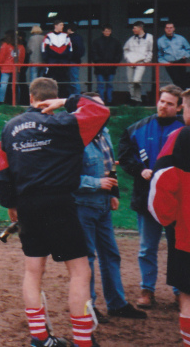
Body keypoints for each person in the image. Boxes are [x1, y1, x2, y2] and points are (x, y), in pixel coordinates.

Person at [0, 77, 110, 347]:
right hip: (59, 202)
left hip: (26, 205)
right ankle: (83, 341)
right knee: (80, 272)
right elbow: (101, 111)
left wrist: (10, 203)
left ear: (30, 97)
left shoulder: (9, 128)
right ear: (53, 97)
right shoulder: (64, 122)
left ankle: (40, 338)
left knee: (33, 271)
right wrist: (68, 103)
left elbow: (1, 169)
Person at [74, 93, 147, 322]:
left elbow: (109, 163)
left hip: (103, 204)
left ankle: (116, 303)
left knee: (110, 254)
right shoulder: (74, 138)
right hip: (83, 205)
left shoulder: (103, 133)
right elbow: (65, 177)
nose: (102, 114)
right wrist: (97, 183)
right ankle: (89, 306)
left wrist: (112, 192)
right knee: (87, 258)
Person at [117, 83, 184, 308]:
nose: (163, 106)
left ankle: (180, 290)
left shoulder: (184, 130)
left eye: (169, 103)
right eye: (161, 101)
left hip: (178, 201)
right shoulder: (138, 128)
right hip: (147, 198)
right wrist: (139, 170)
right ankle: (147, 290)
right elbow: (125, 156)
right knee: (147, 247)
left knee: (179, 246)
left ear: (180, 107)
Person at [149, 87, 190, 345]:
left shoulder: (179, 137)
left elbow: (161, 185)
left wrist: (169, 221)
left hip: (186, 232)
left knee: (187, 295)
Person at [90, 25, 123, 106]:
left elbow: (119, 54)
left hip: (111, 67)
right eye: (106, 31)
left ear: (111, 31)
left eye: (109, 31)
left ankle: (109, 100)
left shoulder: (116, 42)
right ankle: (100, 101)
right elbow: (93, 53)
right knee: (100, 84)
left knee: (110, 84)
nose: (107, 32)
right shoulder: (96, 42)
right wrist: (98, 62)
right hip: (100, 67)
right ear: (102, 31)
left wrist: (114, 62)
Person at [123, 21, 153, 105]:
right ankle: (134, 99)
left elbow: (151, 50)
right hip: (130, 63)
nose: (133, 30)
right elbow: (125, 49)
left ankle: (138, 98)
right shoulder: (132, 39)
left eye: (134, 28)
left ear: (140, 28)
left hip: (141, 62)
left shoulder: (149, 37)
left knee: (136, 81)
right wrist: (127, 59)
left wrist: (146, 60)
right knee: (130, 82)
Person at [43, 20, 72, 98]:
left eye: (62, 25)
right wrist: (47, 61)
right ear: (55, 26)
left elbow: (70, 48)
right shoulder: (48, 35)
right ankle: (52, 97)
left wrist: (68, 60)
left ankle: (63, 98)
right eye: (61, 25)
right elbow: (44, 49)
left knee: (64, 81)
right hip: (52, 62)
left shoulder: (66, 36)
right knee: (52, 80)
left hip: (63, 62)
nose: (62, 27)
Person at [157, 22, 189, 89]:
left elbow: (188, 49)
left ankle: (183, 96)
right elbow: (159, 55)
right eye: (167, 28)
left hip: (181, 61)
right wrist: (165, 62)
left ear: (174, 29)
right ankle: (180, 97)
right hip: (170, 63)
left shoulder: (181, 38)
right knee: (176, 80)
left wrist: (186, 55)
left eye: (171, 28)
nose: (169, 29)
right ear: (164, 29)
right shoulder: (160, 41)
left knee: (183, 79)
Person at [0, 30, 26, 105]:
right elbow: (22, 58)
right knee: (16, 86)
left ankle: (1, 101)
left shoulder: (5, 45)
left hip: (6, 68)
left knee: (3, 86)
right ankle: (16, 102)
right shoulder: (21, 46)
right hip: (16, 68)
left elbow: (1, 57)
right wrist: (19, 66)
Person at [66, 25, 85, 96]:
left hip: (71, 61)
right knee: (74, 79)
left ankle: (75, 97)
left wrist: (70, 57)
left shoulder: (70, 38)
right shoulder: (79, 38)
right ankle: (75, 97)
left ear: (69, 29)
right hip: (76, 61)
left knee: (72, 80)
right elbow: (81, 51)